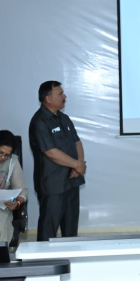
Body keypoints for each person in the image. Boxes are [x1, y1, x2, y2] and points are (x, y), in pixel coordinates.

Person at [28, 81, 86, 241]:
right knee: (48, 230)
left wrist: (79, 164)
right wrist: (77, 165)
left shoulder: (64, 118)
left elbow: (77, 143)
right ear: (48, 98)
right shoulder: (39, 122)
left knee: (71, 230)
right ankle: (43, 257)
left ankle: (70, 256)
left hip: (71, 181)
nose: (64, 96)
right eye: (60, 94)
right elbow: (51, 153)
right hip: (53, 185)